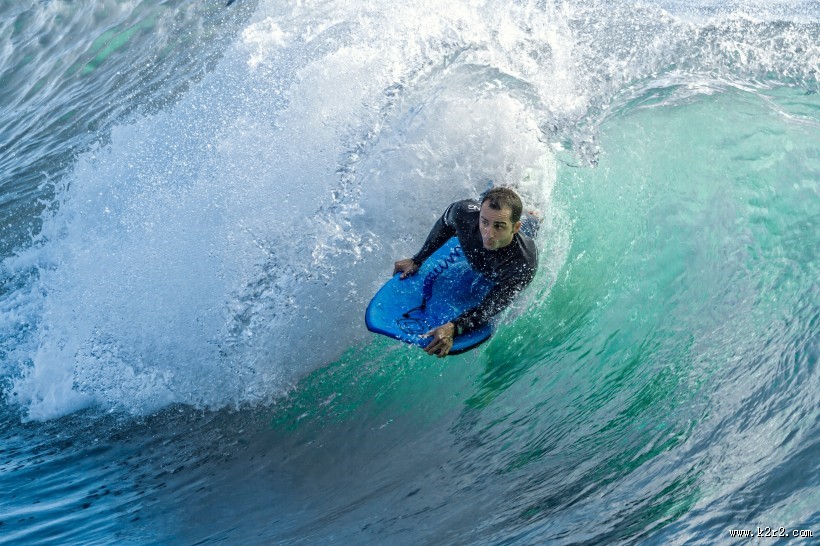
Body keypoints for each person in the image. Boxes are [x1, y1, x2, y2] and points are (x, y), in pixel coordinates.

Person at [393, 187, 538, 357]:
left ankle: (532, 212)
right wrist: (417, 259)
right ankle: (508, 188)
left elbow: (487, 309)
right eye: (484, 222)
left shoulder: (522, 264)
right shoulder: (463, 212)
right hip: (488, 215)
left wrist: (454, 327)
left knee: (534, 220)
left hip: (526, 230)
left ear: (514, 228)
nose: (488, 234)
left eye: (499, 226)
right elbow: (445, 224)